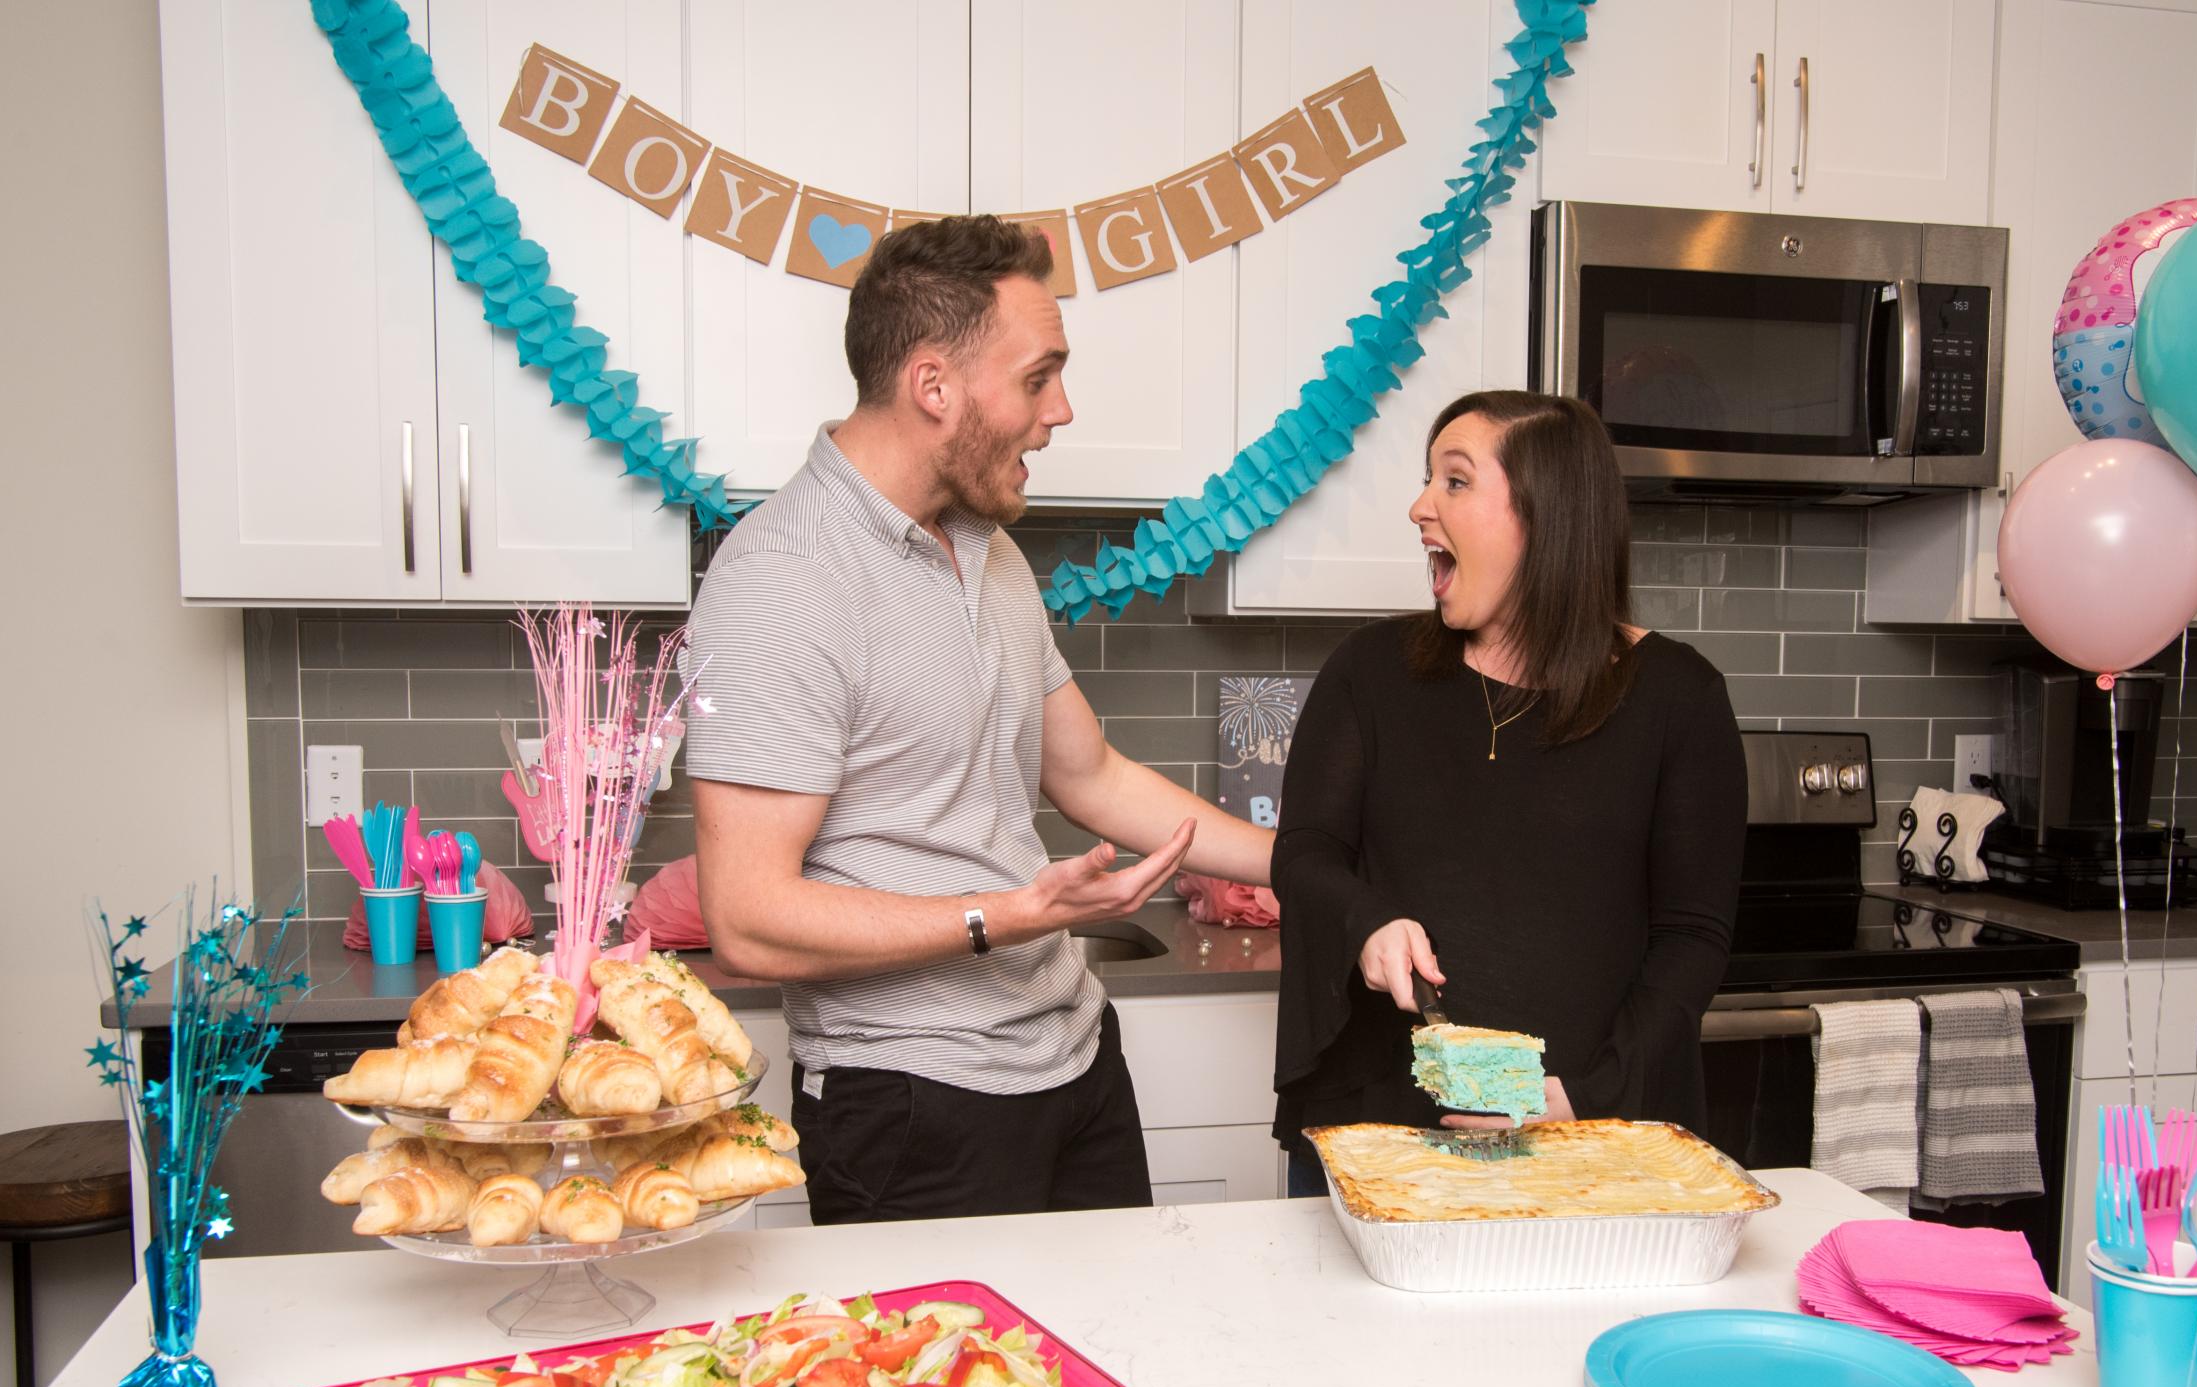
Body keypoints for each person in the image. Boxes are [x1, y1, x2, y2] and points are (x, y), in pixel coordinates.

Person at [686, 215, 1272, 1224]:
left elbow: (1090, 775)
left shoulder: (986, 548)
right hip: (914, 1105)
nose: (1062, 410)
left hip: (1076, 1063)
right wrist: (1013, 914)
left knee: (1116, 1366)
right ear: (933, 388)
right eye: (1038, 377)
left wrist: (1301, 858)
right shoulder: (784, 576)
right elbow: (744, 920)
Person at [1270, 390, 1746, 1196]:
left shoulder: (1679, 699)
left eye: (1454, 482)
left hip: (1590, 1144)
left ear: (1546, 514)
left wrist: (1579, 1099)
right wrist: (1366, 921)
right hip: (1381, 1133)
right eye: (1429, 480)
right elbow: (1306, 852)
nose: (1420, 506)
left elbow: (1691, 938)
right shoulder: (1369, 672)